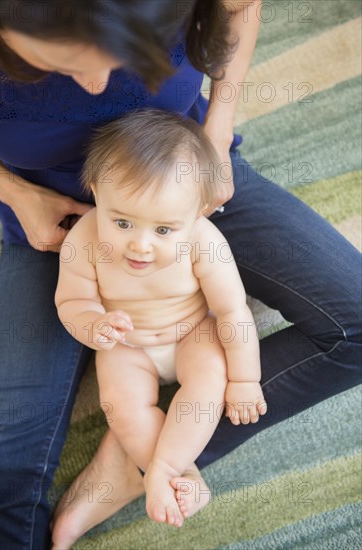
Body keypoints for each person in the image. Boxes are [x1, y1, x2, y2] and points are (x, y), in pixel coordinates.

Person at [0, 1, 360, 549]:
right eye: (62, 62)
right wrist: (14, 191)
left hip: (186, 187)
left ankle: (142, 460)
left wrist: (218, 135)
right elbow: (74, 301)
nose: (94, 83)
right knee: (6, 464)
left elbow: (239, 9)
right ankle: (146, 441)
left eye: (121, 57)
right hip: (55, 220)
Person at [55, 109, 268, 528]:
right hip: (128, 343)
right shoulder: (83, 238)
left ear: (199, 212)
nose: (140, 245)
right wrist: (93, 324)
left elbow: (231, 311)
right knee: (120, 404)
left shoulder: (206, 242)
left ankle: (163, 468)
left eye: (164, 231)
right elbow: (72, 300)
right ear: (96, 192)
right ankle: (180, 475)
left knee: (210, 381)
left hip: (191, 330)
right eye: (122, 222)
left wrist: (245, 379)